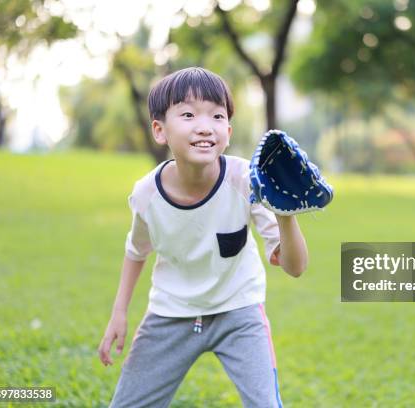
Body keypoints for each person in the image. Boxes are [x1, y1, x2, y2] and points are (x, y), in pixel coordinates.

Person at [97, 67, 308, 407]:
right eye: (189, 114)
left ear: (228, 129)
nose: (205, 126)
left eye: (217, 115)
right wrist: (119, 312)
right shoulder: (147, 194)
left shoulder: (246, 181)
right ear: (159, 130)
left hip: (239, 312)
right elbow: (136, 251)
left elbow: (295, 267)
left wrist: (286, 214)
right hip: (170, 313)